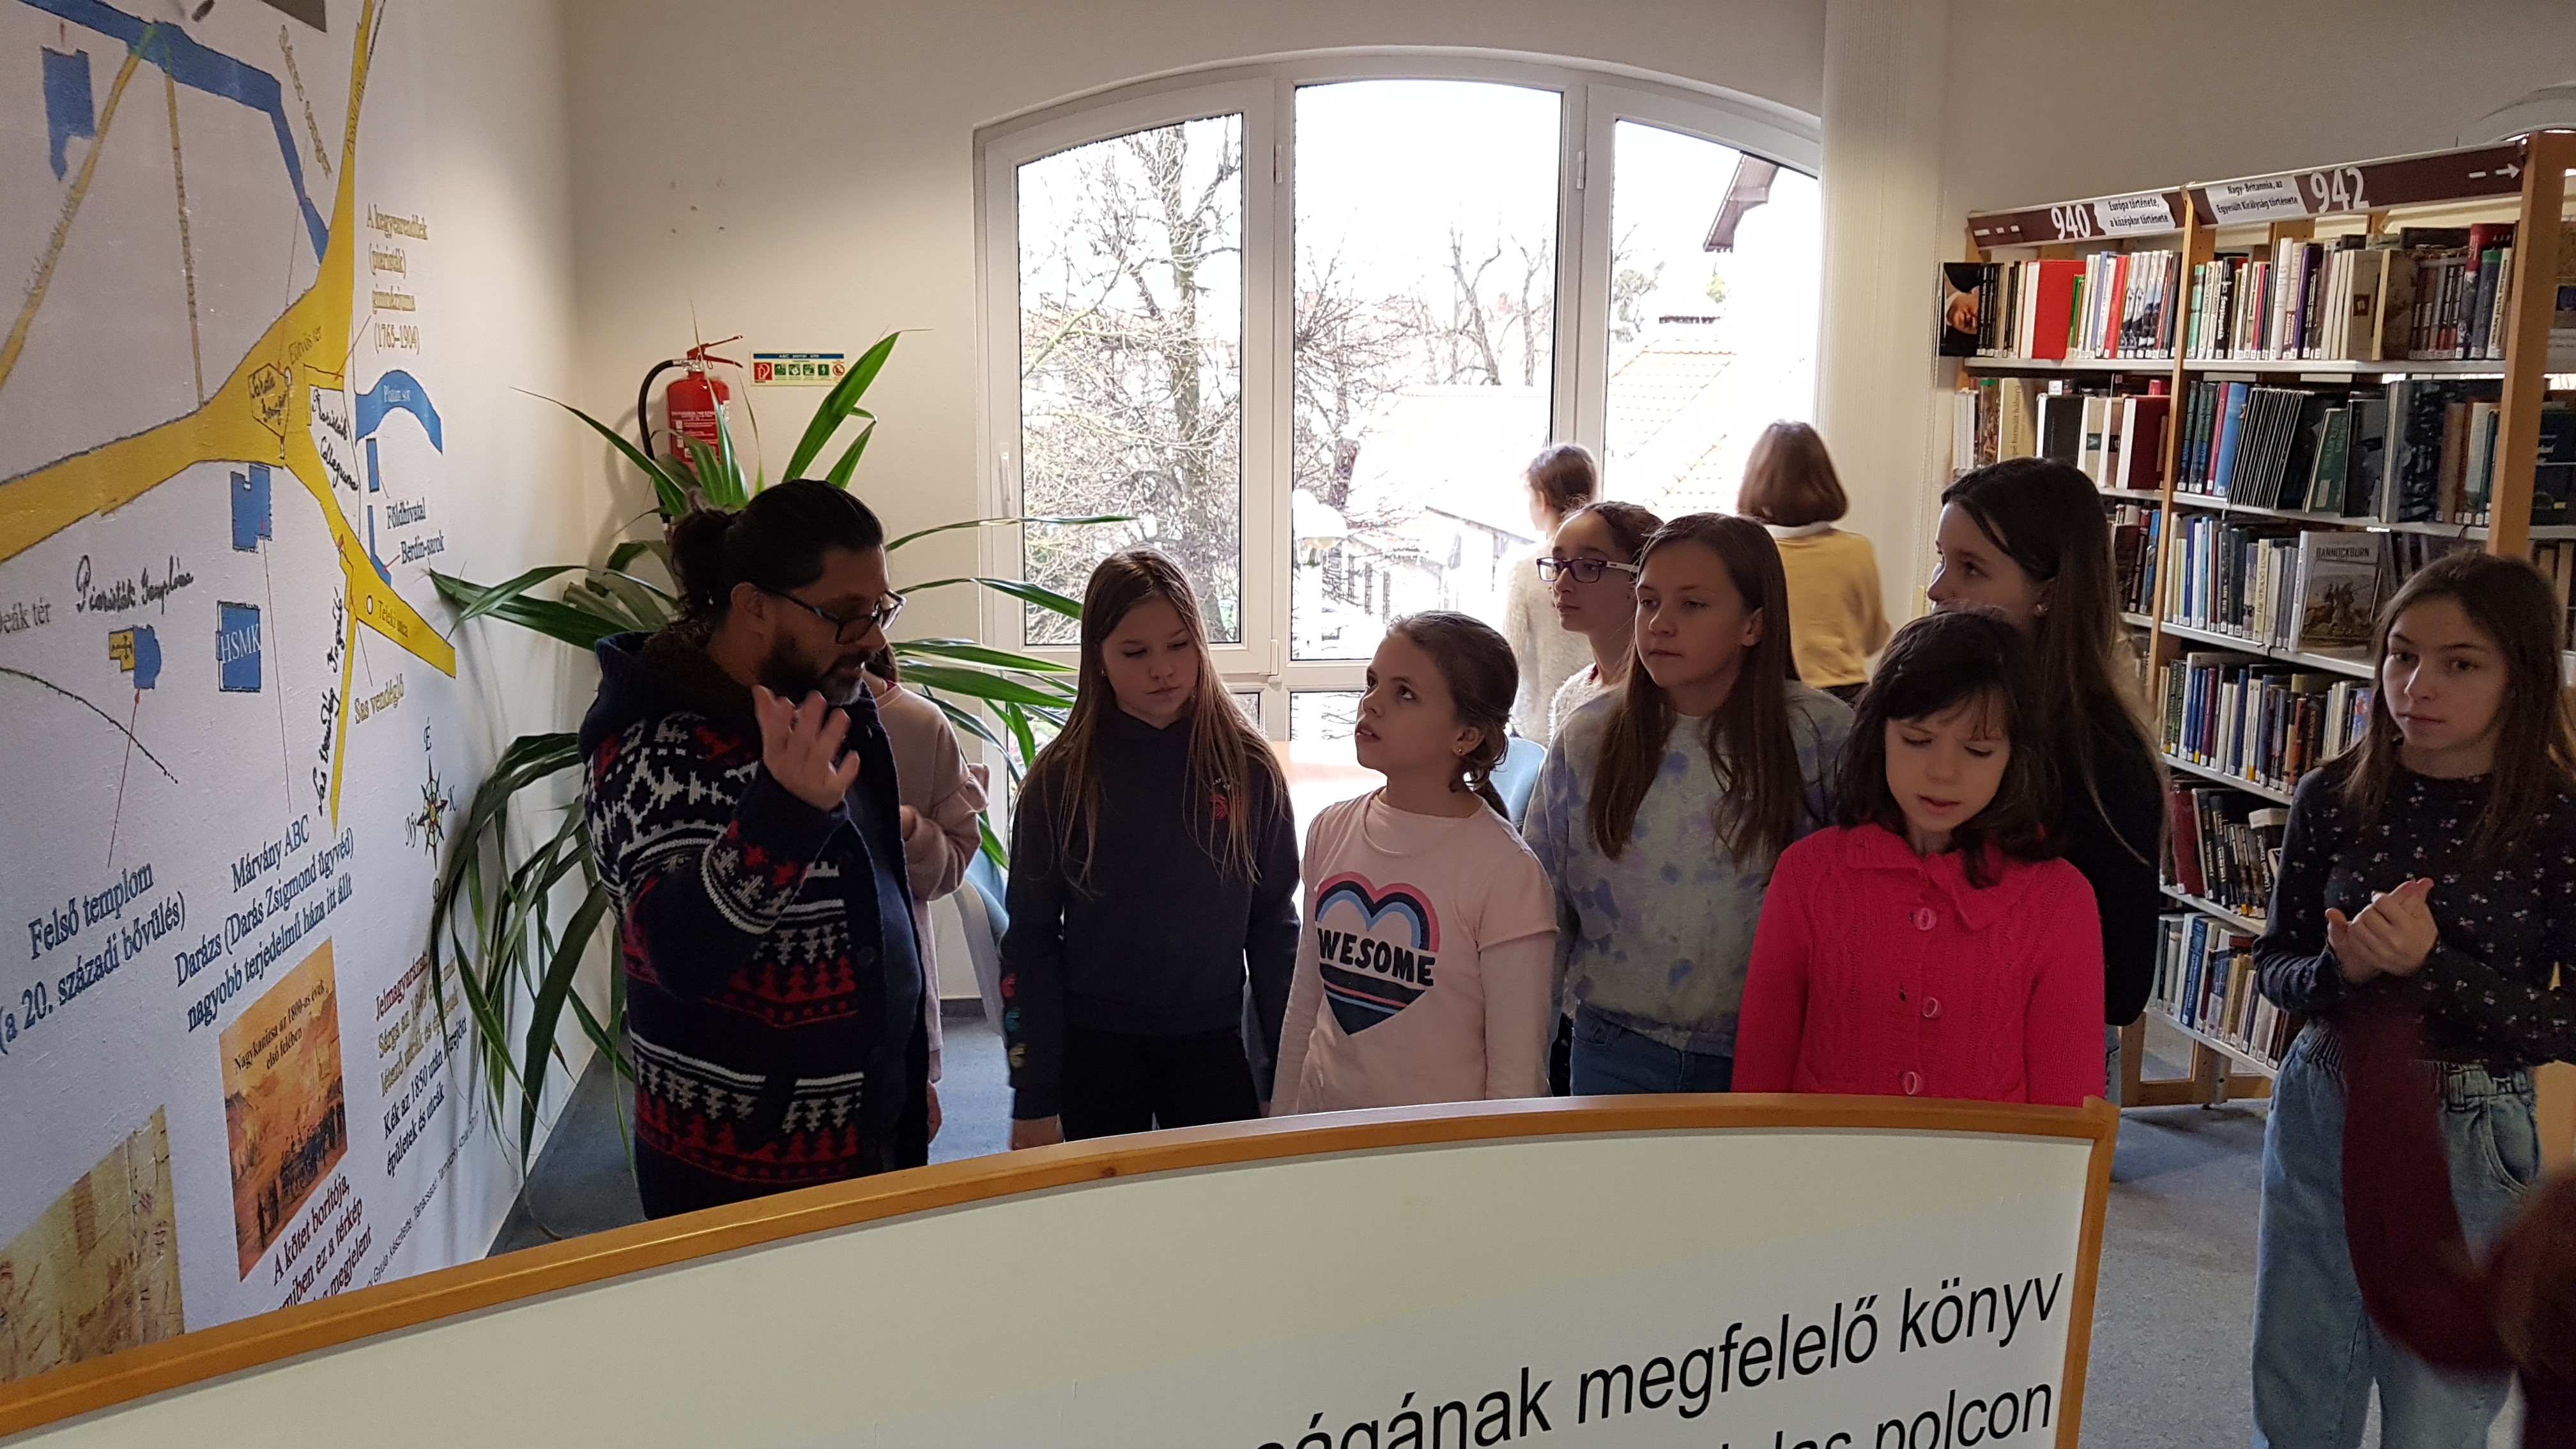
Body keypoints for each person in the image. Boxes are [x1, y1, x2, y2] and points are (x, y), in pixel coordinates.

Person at [2248, 550, 2576, 1449]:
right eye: (2401, 655)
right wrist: (2340, 973)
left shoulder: (2556, 821)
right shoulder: (2334, 794)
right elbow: (2275, 963)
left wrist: (2432, 967)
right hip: (2327, 1091)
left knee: (2437, 1404)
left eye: (2460, 663)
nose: (2417, 685)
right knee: (2299, 1371)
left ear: (2522, 676)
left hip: (2471, 1122)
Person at [580, 480, 926, 1217]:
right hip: (738, 1181)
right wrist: (782, 816)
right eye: (844, 614)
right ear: (753, 605)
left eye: (880, 609)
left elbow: (877, 912)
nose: (872, 639)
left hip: (867, 1141)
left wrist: (904, 1073)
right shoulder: (653, 754)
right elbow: (680, 958)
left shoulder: (827, 703)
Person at [1522, 513, 1851, 1095]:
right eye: (1648, 602)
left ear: (1753, 624)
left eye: (1692, 605)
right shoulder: (1590, 736)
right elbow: (1543, 907)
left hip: (1769, 1049)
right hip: (1613, 1046)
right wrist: (1527, 1068)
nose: (1660, 624)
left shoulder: (1821, 738)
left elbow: (1858, 913)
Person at [1735, 610, 2104, 1106]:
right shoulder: (1808, 873)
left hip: (1990, 1159)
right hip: (1825, 1156)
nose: (1943, 772)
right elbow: (1760, 1078)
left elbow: (2070, 1114)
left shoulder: (2060, 900)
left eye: (1978, 750)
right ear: (1879, 736)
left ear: (2016, 756)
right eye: (1917, 740)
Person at [1002, 551, 1300, 1146]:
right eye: (1135, 653)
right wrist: (1033, 1098)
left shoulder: (1248, 768)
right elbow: (1031, 940)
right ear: (1099, 658)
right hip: (1096, 1044)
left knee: (1224, 1195)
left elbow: (1273, 927)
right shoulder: (1060, 779)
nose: (1163, 669)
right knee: (1104, 1201)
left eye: (1180, 645)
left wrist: (1282, 1074)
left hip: (1214, 1038)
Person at [1928, 457, 2161, 1101]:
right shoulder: (1921, 716)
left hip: (2041, 1060)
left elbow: (2123, 985)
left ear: (2048, 594)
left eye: (1971, 569)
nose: (1938, 590)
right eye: (1941, 560)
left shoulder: (2103, 758)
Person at [1272, 613, 1557, 1114]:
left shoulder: (1506, 874)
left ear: (1466, 735)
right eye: (1373, 682)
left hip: (1433, 1152)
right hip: (1323, 1132)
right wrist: (1282, 1125)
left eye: (1405, 694)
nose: (1371, 703)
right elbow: (1305, 1006)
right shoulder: (1330, 830)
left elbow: (1515, 1078)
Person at [862, 647, 991, 1146]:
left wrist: (909, 827)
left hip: (896, 996)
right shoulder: (741, 718)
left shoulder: (917, 724)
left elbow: (953, 863)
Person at [1736, 422, 1887, 704]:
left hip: (1770, 697)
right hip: (1846, 699)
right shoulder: (1856, 551)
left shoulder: (1745, 553)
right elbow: (1873, 640)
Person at [1540, 500, 1664, 740]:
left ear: (1639, 577)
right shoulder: (1570, 695)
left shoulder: (1671, 700)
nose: (1561, 584)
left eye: (1588, 567)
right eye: (1557, 566)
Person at [1502, 442, 1601, 744]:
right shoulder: (1606, 567)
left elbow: (1509, 654)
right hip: (1597, 721)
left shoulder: (1526, 568)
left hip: (1537, 732)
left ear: (1542, 499)